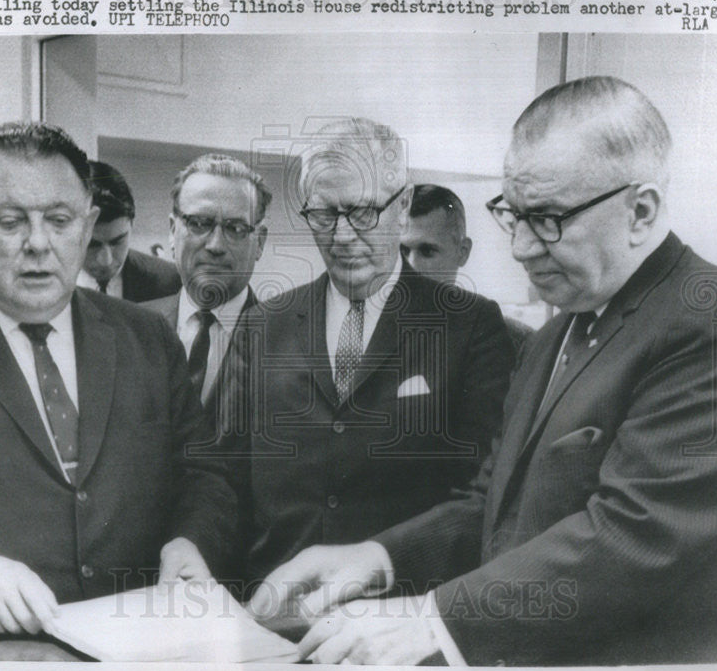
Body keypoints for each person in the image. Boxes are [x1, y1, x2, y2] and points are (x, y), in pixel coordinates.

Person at [248, 78, 717, 666]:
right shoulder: (554, 336)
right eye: (513, 215)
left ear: (641, 211)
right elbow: (495, 504)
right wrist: (374, 559)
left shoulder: (716, 315)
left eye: (549, 219)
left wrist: (432, 619)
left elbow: (639, 533)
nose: (521, 248)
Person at [0, 123, 238, 655]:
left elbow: (205, 474)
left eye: (59, 220)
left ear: (88, 223)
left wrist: (192, 540)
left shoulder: (146, 336)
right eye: (9, 222)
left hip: (141, 649)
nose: (38, 244)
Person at [212, 118, 517, 592]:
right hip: (274, 611)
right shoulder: (261, 325)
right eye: (325, 215)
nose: (343, 235)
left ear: (403, 207)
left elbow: (482, 495)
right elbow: (222, 481)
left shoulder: (469, 325)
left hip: (399, 620)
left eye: (362, 212)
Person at [142, 154, 270, 407]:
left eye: (235, 229)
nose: (215, 245)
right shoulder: (131, 330)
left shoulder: (289, 345)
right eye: (199, 223)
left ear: (260, 242)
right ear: (172, 231)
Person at [402, 183, 534, 355]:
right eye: (402, 252)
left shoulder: (514, 341)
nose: (410, 267)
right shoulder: (366, 330)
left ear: (462, 252)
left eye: (427, 251)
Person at [78, 160, 182, 301]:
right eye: (92, 244)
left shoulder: (170, 282)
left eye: (117, 242)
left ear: (132, 225)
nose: (106, 261)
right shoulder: (45, 281)